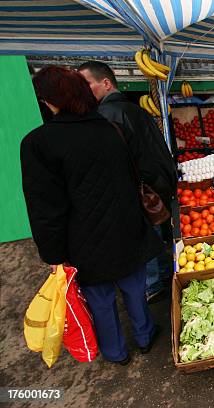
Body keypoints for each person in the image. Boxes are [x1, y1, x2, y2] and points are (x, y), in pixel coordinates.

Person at [21, 66, 162, 365]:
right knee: (135, 288)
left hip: (84, 237)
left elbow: (45, 205)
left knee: (99, 300)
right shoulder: (110, 129)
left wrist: (53, 252)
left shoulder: (38, 143)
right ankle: (145, 335)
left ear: (51, 101)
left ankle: (115, 352)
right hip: (126, 226)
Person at [78, 61, 176, 302]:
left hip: (141, 186)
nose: (83, 90)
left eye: (86, 84)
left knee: (145, 235)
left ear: (106, 83)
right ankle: (165, 276)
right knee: (156, 231)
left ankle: (153, 285)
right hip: (157, 181)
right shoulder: (133, 108)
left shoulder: (108, 115)